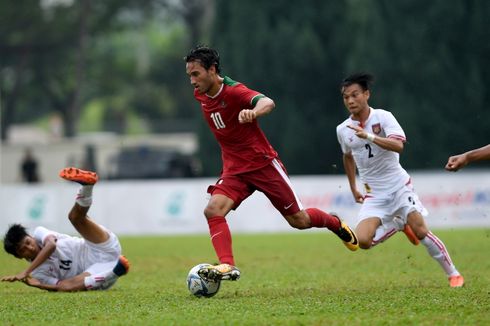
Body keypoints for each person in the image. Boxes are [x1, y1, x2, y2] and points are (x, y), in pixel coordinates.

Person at [184, 45, 359, 282]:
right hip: (235, 169)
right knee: (213, 210)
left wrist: (253, 113)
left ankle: (334, 223)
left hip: (263, 164)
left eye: (196, 74)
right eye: (189, 75)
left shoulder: (235, 92)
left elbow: (267, 102)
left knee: (299, 220)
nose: (192, 81)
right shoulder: (201, 94)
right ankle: (228, 265)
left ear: (212, 70)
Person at [336, 73, 464, 288]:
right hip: (374, 194)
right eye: (346, 97)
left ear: (366, 94)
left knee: (421, 231)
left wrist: (368, 136)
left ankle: (454, 274)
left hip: (399, 187)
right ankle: (399, 224)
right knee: (363, 242)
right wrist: (352, 187)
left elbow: (398, 146)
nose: (350, 100)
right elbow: (347, 156)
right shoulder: (342, 130)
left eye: (355, 95)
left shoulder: (384, 117)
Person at [2, 167, 130, 292]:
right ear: (19, 256)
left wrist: (25, 272)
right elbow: (60, 286)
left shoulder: (39, 232)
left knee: (75, 218)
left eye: (28, 243)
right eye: (22, 250)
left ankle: (87, 186)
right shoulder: (38, 273)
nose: (29, 248)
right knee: (68, 286)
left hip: (98, 247)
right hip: (95, 270)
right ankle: (113, 273)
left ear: (31, 236)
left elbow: (51, 245)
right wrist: (39, 285)